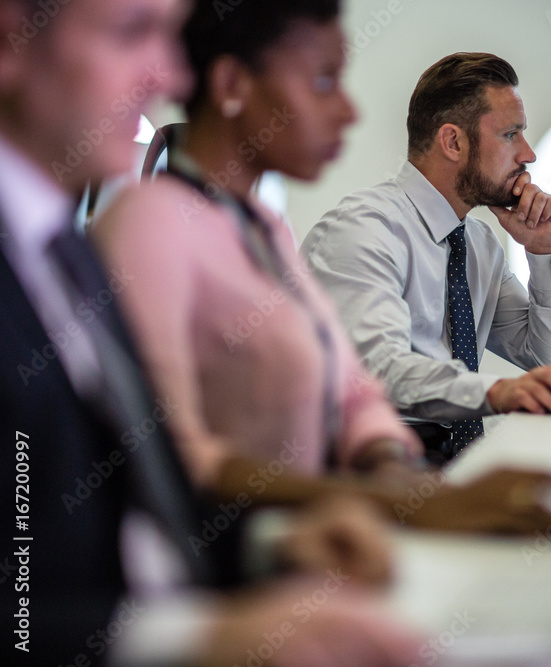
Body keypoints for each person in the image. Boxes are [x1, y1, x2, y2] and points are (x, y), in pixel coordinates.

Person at [0, 0, 423, 665]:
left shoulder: (63, 251)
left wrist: (273, 544)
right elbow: (22, 602)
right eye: (132, 32)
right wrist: (201, 635)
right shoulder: (140, 225)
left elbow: (133, 499)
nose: (169, 78)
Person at [90, 2, 551, 535]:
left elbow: (352, 391)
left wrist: (407, 482)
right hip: (248, 549)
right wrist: (409, 497)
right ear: (233, 84)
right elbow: (166, 456)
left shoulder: (263, 226)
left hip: (349, 499)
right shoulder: (154, 226)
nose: (349, 112)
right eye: (324, 81)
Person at [301, 52, 551, 462]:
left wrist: (543, 253)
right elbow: (379, 371)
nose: (528, 154)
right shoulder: (364, 231)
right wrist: (495, 391)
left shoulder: (476, 242)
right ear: (453, 142)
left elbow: (546, 358)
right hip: (376, 460)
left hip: (453, 456)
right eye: (510, 135)